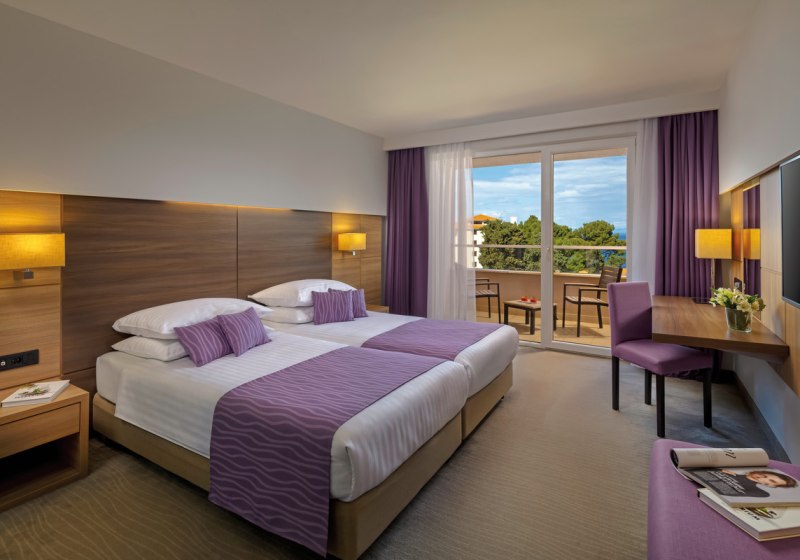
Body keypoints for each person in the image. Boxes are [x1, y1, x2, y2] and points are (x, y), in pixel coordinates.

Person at [697, 469, 799, 498]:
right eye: (764, 475)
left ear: (773, 486)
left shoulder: (760, 493)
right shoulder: (728, 472)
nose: (760, 476)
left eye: (772, 481)